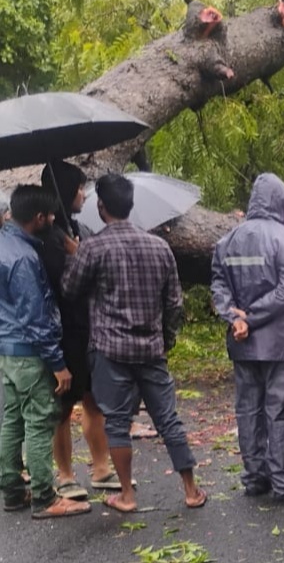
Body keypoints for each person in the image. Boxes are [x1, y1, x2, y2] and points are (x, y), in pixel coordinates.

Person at [62, 174, 205, 513]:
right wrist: (165, 341)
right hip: (151, 349)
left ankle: (126, 494)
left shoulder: (94, 247)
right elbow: (174, 304)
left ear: (100, 207)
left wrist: (73, 253)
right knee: (168, 418)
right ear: (131, 205)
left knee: (116, 421)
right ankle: (191, 489)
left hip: (109, 350)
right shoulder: (160, 247)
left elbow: (69, 290)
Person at [211, 173, 284, 503]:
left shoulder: (226, 240)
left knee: (249, 411)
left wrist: (235, 316)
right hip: (280, 343)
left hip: (242, 344)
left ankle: (255, 477)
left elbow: (218, 285)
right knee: (283, 411)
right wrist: (253, 317)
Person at [0, 186, 91, 519]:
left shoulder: (4, 244)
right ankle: (44, 496)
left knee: (11, 420)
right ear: (38, 217)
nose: (53, 221)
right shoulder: (24, 258)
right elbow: (35, 316)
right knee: (39, 420)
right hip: (28, 350)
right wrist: (58, 364)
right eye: (50, 216)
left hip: (7, 350)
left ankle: (11, 490)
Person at [38, 161, 114, 500]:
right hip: (62, 331)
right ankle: (66, 475)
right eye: (79, 188)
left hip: (89, 328)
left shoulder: (76, 226)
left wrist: (80, 248)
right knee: (64, 406)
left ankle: (101, 468)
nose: (83, 194)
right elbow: (65, 284)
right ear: (66, 192)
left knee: (94, 400)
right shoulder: (48, 239)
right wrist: (77, 254)